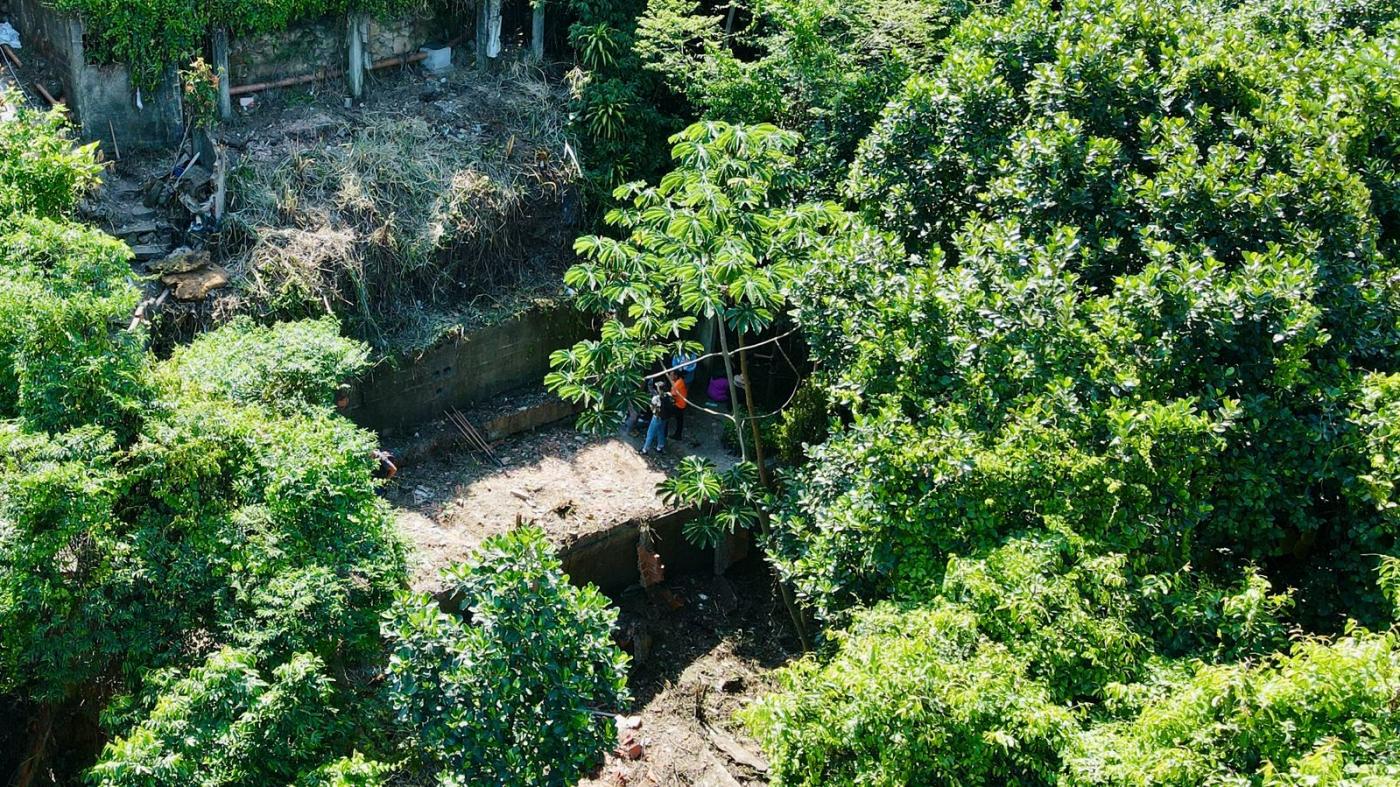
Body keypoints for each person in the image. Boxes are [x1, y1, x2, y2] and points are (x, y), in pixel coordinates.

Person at [641, 380, 672, 455]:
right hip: (665, 417)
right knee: (661, 432)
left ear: (659, 389)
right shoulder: (669, 395)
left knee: (650, 433)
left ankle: (645, 449)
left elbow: (652, 407)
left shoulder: (656, 398)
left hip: (657, 417)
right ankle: (660, 447)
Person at [669, 369, 689, 440]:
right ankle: (678, 435)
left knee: (666, 415)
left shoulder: (678, 384)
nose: (670, 376)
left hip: (679, 404)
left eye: (671, 375)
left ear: (676, 375)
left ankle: (668, 433)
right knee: (680, 420)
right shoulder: (680, 380)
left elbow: (672, 395)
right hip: (681, 403)